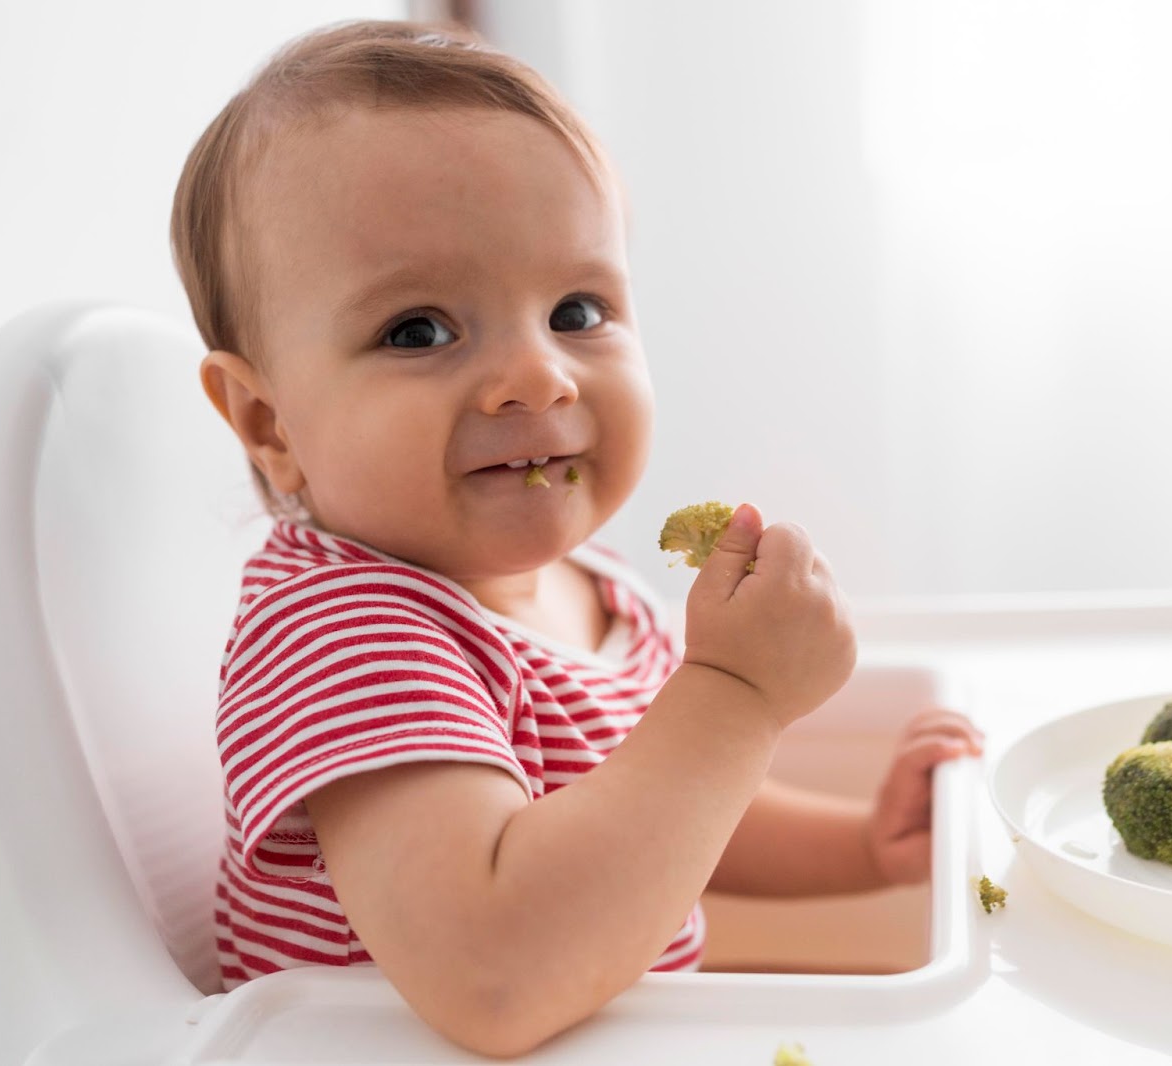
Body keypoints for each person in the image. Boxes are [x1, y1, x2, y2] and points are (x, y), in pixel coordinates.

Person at [172, 18, 982, 1058]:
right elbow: (496, 973)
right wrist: (733, 699)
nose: (539, 375)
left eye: (576, 308)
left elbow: (666, 811)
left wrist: (861, 841)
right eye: (419, 328)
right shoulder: (345, 633)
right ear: (269, 423)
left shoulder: (585, 584)